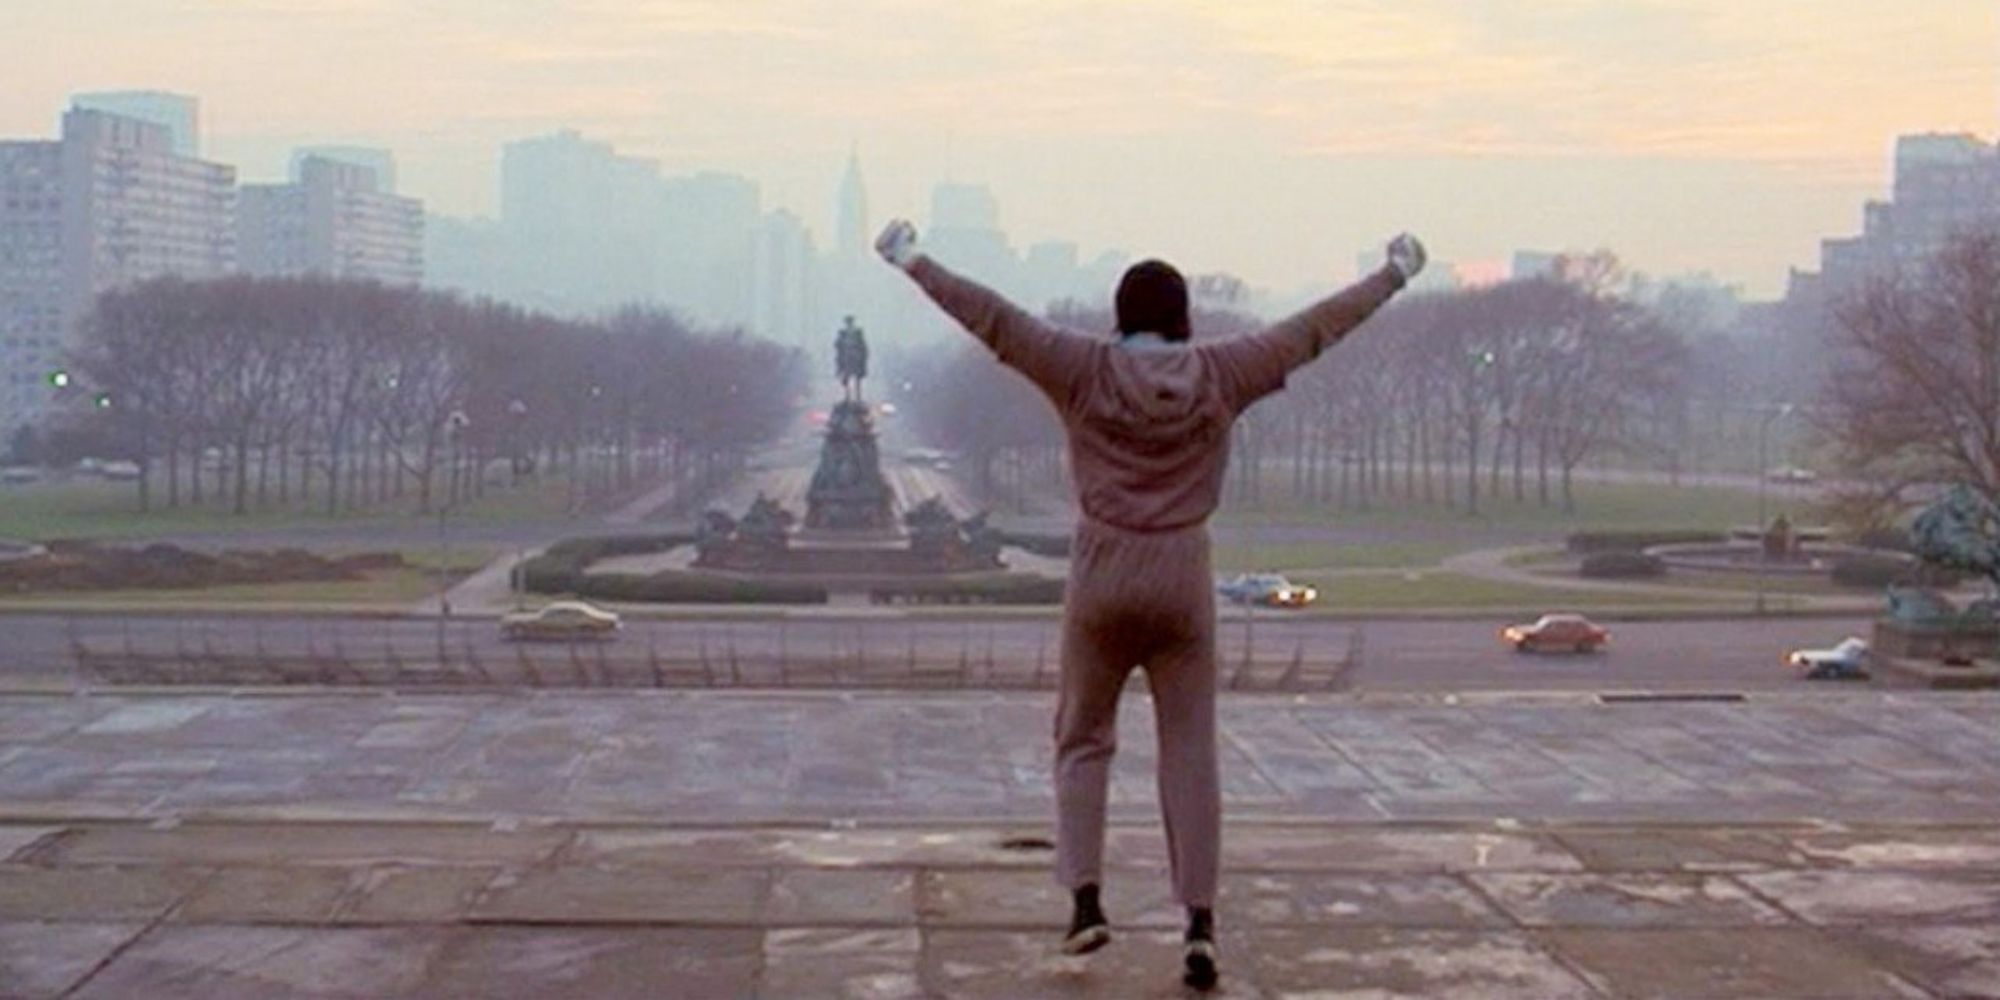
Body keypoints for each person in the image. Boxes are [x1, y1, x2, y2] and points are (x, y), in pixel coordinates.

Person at [876, 219, 1425, 990]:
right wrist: (1392, 274)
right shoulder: (1223, 371)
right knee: (1190, 752)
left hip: (1102, 566)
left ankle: (1086, 902)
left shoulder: (1082, 368)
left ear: (1120, 317)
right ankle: (1199, 923)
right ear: (1183, 320)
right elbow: (1314, 331)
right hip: (1182, 572)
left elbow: (993, 319)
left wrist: (914, 261)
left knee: (1082, 739)